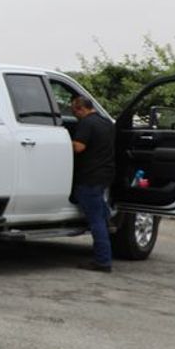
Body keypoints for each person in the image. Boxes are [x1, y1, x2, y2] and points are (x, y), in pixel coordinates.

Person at [70, 94, 115, 272]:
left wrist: (65, 141)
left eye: (75, 111)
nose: (75, 115)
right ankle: (108, 218)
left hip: (89, 176)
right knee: (100, 212)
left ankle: (103, 261)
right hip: (105, 174)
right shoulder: (106, 123)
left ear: (81, 108)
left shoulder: (87, 123)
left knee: (96, 220)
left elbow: (79, 147)